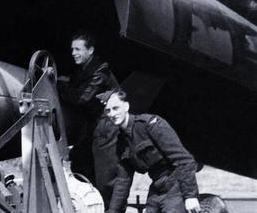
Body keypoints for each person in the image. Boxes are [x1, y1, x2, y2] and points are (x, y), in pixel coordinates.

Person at [98, 89, 201, 213]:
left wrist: (190, 196)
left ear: (126, 106)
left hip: (176, 184)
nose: (112, 114)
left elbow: (185, 160)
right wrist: (113, 211)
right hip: (157, 187)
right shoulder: (121, 141)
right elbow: (123, 181)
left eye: (115, 108)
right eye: (108, 110)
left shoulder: (150, 125)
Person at [57, 31, 118, 185]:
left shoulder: (100, 71)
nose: (73, 53)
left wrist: (60, 85)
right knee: (78, 163)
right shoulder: (84, 70)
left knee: (104, 175)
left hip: (106, 127)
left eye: (78, 49)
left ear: (90, 50)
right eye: (72, 49)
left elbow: (80, 98)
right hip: (91, 125)